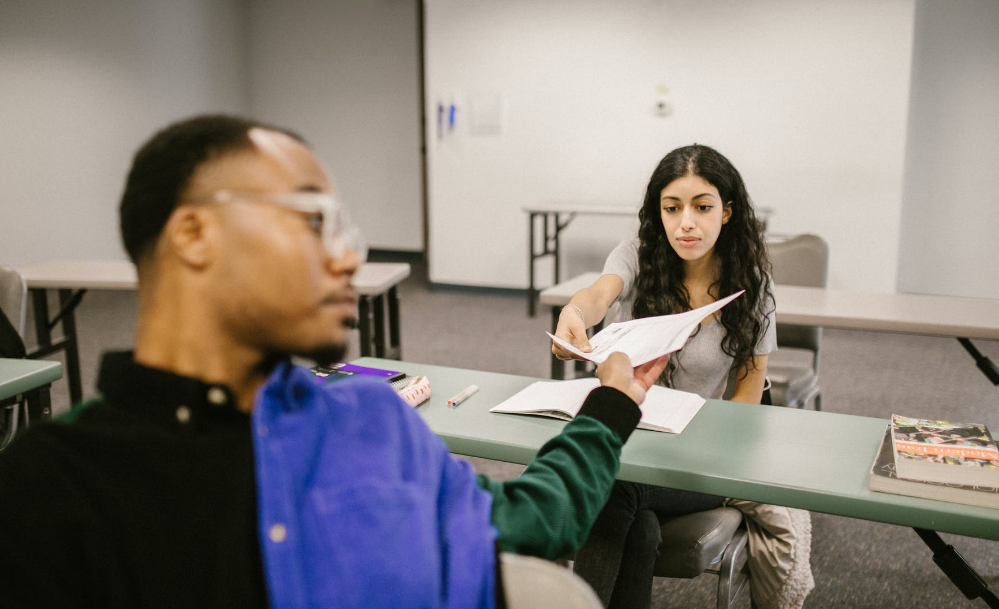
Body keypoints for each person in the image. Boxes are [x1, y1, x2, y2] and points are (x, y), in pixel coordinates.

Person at [0, 114, 669, 609]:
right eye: (314, 219)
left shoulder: (372, 417)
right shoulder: (52, 485)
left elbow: (532, 520)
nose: (348, 256)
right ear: (195, 233)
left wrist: (610, 404)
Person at [552, 144, 778, 609]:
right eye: (672, 208)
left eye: (702, 207)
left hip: (706, 458)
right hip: (638, 442)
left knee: (615, 484)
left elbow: (747, 401)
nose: (686, 223)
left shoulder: (753, 284)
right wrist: (574, 311)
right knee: (641, 527)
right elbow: (600, 293)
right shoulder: (639, 254)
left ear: (728, 211)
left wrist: (709, 456)